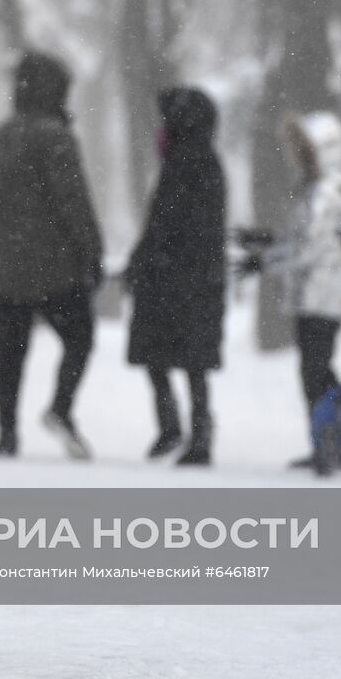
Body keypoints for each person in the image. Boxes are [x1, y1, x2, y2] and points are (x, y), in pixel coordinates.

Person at [0, 50, 101, 460]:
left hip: (8, 269)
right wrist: (91, 253)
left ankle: (6, 433)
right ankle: (61, 409)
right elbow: (74, 203)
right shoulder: (56, 137)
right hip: (55, 270)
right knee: (80, 337)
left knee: (10, 351)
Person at [124, 87, 226, 466]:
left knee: (160, 355)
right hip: (197, 281)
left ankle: (179, 429)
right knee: (193, 361)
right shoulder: (206, 161)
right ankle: (195, 431)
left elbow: (162, 224)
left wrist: (145, 261)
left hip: (171, 280)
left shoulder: (183, 163)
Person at [275, 111, 341, 470]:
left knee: (316, 371)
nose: (296, 156)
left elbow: (307, 247)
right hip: (313, 295)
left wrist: (266, 259)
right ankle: (328, 439)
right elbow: (299, 239)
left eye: (304, 149)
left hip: (323, 296)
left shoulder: (327, 194)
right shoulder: (314, 190)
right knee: (314, 371)